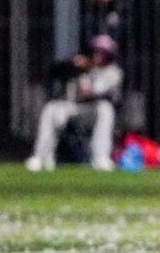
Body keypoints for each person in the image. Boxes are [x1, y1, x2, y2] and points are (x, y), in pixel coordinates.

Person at [25, 35, 123, 171]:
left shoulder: (114, 72)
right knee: (51, 108)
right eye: (96, 51)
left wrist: (87, 69)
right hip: (75, 108)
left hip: (93, 113)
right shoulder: (82, 67)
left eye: (103, 52)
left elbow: (91, 91)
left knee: (105, 109)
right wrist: (73, 66)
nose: (98, 55)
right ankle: (40, 156)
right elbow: (55, 72)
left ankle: (101, 157)